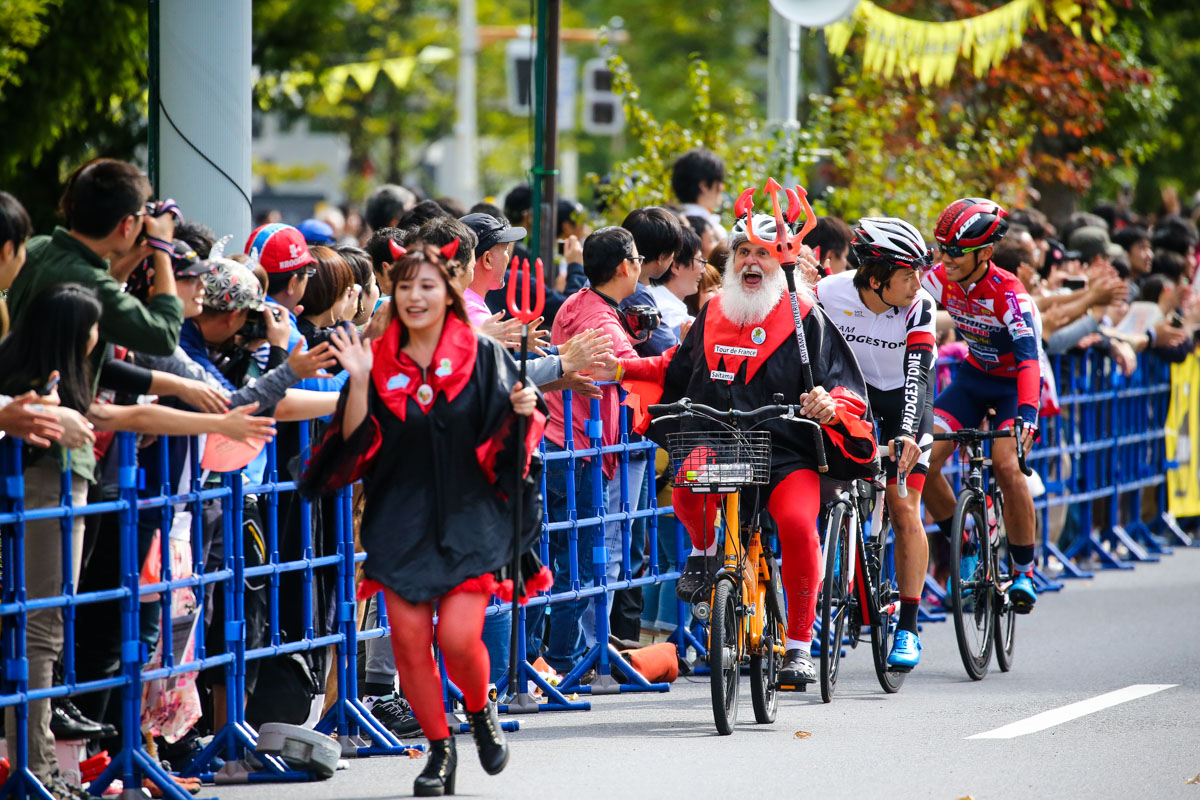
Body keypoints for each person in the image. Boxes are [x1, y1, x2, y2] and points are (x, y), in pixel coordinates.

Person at [300, 243, 548, 796]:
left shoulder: (483, 357)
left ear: (450, 292)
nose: (415, 297)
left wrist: (524, 414)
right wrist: (359, 381)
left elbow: (515, 441)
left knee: (459, 638)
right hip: (401, 521)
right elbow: (355, 443)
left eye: (428, 286)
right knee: (410, 643)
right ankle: (439, 751)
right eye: (406, 286)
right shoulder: (378, 357)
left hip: (469, 518)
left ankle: (479, 709)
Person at [616, 212, 878, 686]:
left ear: (779, 263)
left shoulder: (806, 317)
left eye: (762, 252)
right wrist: (619, 368)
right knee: (685, 487)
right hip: (717, 438)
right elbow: (675, 367)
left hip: (785, 449)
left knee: (799, 525)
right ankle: (707, 551)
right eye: (743, 252)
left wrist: (828, 402)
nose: (750, 261)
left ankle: (798, 646)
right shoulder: (712, 313)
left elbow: (841, 385)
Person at [814, 217, 937, 670]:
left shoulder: (918, 305)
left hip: (904, 399)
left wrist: (905, 432)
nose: (917, 284)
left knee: (904, 508)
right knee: (821, 494)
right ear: (875, 276)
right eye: (908, 275)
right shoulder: (829, 293)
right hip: (853, 398)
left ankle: (907, 626)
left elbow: (917, 376)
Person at [920, 198, 1041, 613]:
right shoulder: (940, 279)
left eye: (955, 251)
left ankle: (1024, 571)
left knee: (1007, 465)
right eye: (941, 248)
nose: (944, 258)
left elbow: (1029, 361)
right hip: (972, 380)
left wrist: (1028, 414)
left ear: (985, 253)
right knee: (923, 461)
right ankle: (964, 541)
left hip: (1011, 388)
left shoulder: (1010, 294)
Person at [650, 226, 705, 339]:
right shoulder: (671, 313)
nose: (703, 270)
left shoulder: (653, 296)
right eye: (700, 261)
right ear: (676, 266)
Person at [671, 148, 726, 238]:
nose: (722, 187)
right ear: (704, 186)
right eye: (719, 182)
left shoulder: (667, 223)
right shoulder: (714, 232)